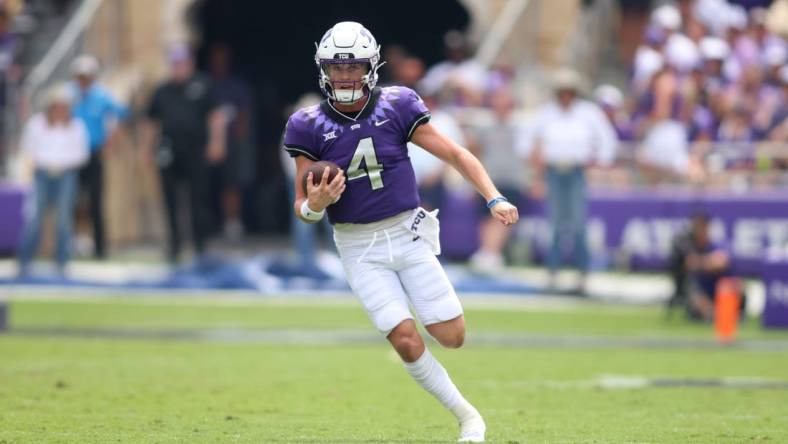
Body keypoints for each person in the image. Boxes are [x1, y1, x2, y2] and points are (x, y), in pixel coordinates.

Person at [283, 22, 518, 443]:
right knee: (407, 341)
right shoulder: (307, 124)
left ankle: (424, 309)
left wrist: (493, 197)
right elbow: (302, 208)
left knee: (453, 336)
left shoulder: (398, 104)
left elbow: (454, 153)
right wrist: (315, 206)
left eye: (353, 66)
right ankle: (469, 418)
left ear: (371, 66)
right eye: (336, 68)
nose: (344, 76)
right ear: (323, 70)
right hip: (358, 245)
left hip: (407, 232)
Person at [521, 68, 616, 294]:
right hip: (553, 170)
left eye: (569, 92)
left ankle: (582, 274)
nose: (565, 96)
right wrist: (535, 165)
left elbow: (606, 140)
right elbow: (526, 140)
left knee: (578, 223)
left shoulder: (588, 113)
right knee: (554, 223)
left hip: (576, 171)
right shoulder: (546, 113)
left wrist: (598, 163)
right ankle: (553, 273)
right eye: (562, 92)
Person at [141, 44, 226, 263]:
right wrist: (147, 150)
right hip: (169, 150)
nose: (179, 68)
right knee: (170, 200)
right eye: (175, 64)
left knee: (198, 199)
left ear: (190, 64)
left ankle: (200, 245)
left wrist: (216, 142)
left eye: (182, 63)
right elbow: (152, 122)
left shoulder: (203, 85)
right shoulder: (162, 90)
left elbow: (215, 116)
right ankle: (175, 245)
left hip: (196, 150)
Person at [18, 84, 89, 276]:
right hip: (42, 174)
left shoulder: (76, 126)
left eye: (63, 106)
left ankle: (62, 262)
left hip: (66, 174)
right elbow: (28, 148)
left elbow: (82, 154)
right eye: (56, 106)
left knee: (64, 219)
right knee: (35, 218)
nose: (59, 110)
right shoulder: (36, 124)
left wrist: (62, 164)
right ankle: (24, 260)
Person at [70, 54, 129, 259]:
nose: (83, 80)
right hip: (70, 156)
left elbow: (122, 115)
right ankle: (73, 243)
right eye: (80, 76)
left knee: (96, 200)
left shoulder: (102, 96)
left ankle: (100, 247)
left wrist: (113, 142)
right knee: (72, 201)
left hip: (94, 153)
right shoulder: (68, 95)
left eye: (87, 76)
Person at [207, 43, 255, 241]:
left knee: (232, 184)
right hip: (208, 144)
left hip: (232, 143)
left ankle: (232, 223)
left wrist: (238, 137)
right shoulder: (206, 85)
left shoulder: (236, 86)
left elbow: (244, 114)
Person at [667, 213, 732, 321]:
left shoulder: (712, 243)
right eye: (699, 226)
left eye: (704, 226)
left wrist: (703, 263)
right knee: (693, 289)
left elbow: (722, 261)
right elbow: (690, 263)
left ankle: (727, 312)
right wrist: (708, 262)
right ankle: (714, 314)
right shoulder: (686, 242)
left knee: (732, 284)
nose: (702, 230)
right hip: (692, 284)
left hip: (713, 282)